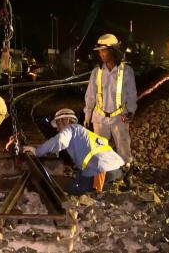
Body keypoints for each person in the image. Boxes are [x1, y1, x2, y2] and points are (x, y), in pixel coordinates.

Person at [23, 108, 125, 195]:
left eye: (58, 124)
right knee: (81, 178)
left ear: (66, 121)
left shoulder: (71, 128)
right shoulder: (85, 134)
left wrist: (37, 151)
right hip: (116, 170)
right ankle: (104, 188)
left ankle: (96, 190)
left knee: (72, 188)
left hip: (102, 171)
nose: (57, 129)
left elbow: (59, 141)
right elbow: (86, 164)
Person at [83, 34, 137, 187]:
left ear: (113, 51)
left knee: (123, 149)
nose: (101, 54)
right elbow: (90, 96)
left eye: (104, 50)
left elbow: (132, 95)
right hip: (100, 117)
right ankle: (98, 185)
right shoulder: (97, 72)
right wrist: (87, 115)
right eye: (99, 51)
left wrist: (130, 112)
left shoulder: (126, 72)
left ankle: (127, 177)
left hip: (119, 117)